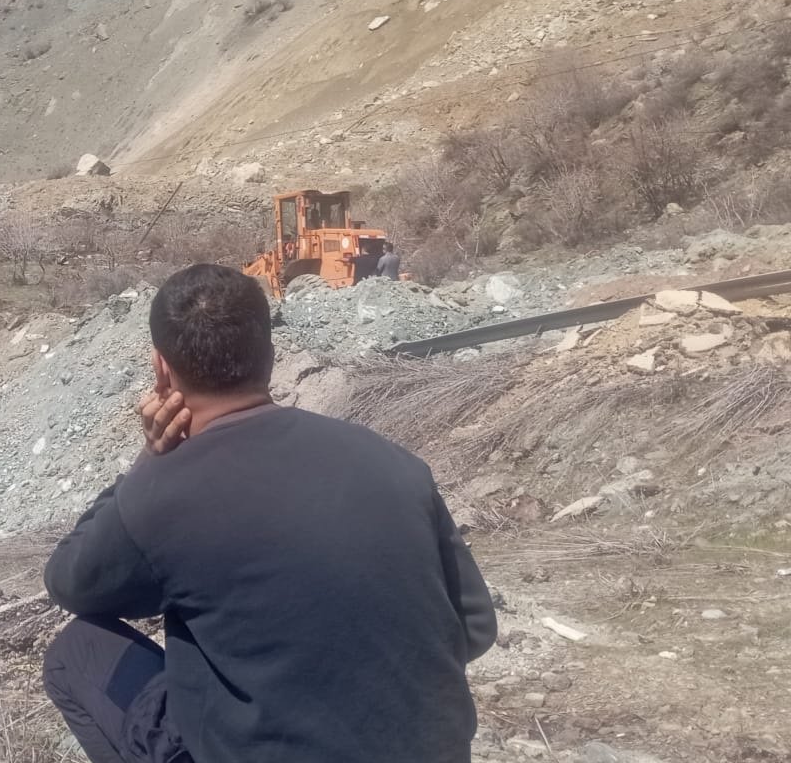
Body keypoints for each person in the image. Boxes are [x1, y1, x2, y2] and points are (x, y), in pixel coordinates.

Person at [41, 264, 496, 763]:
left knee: (76, 652)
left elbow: (71, 582)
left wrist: (150, 458)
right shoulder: (394, 462)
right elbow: (475, 628)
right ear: (271, 354)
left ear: (161, 369)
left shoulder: (164, 493)